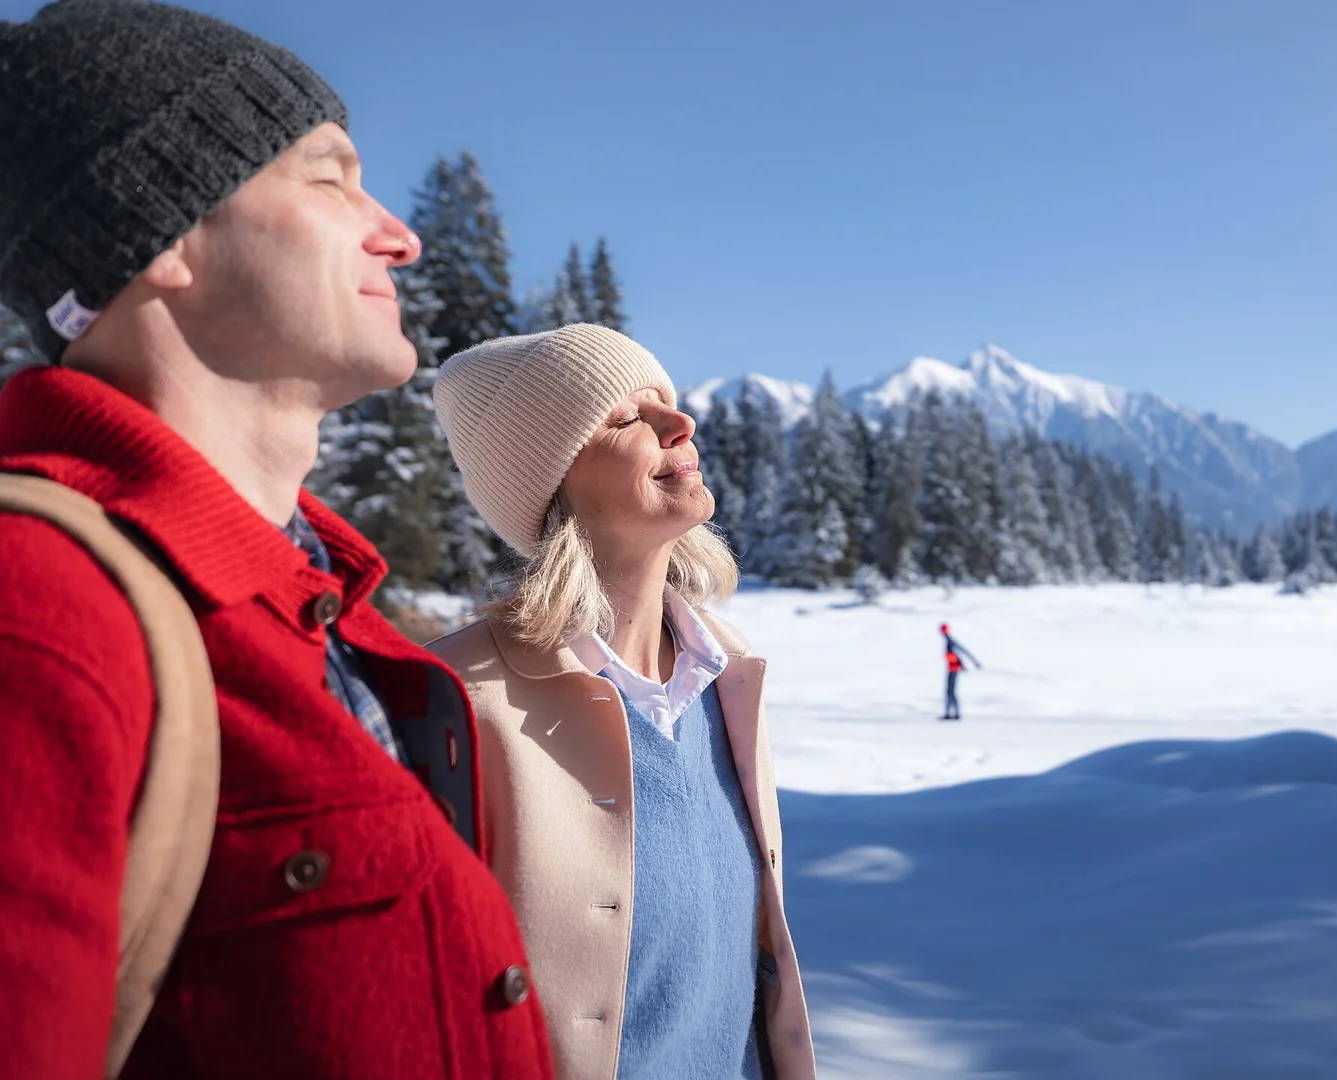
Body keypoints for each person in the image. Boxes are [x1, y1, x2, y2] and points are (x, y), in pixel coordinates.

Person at [0, 4, 554, 1077]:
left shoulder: (317, 608)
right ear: (162, 236)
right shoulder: (42, 605)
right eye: (329, 178)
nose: (399, 233)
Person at [427, 324, 816, 1080]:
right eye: (627, 417)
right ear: (552, 481)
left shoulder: (727, 673)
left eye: (667, 402)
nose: (681, 424)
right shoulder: (459, 704)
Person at [940, 622, 982, 720]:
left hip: (953, 669)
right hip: (952, 668)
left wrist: (966, 664)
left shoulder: (950, 642)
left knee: (950, 692)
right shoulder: (949, 641)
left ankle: (953, 713)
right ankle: (951, 713)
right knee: (949, 692)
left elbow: (959, 654)